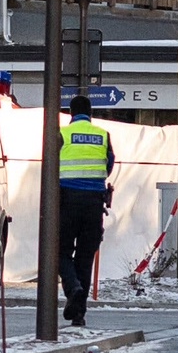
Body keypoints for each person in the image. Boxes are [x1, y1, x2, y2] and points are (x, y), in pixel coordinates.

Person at [57, 94, 114, 327]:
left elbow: (50, 164)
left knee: (59, 251)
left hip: (66, 201)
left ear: (71, 113)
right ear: (90, 114)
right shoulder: (103, 135)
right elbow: (108, 165)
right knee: (85, 257)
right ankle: (79, 313)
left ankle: (74, 289)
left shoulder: (61, 134)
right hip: (94, 204)